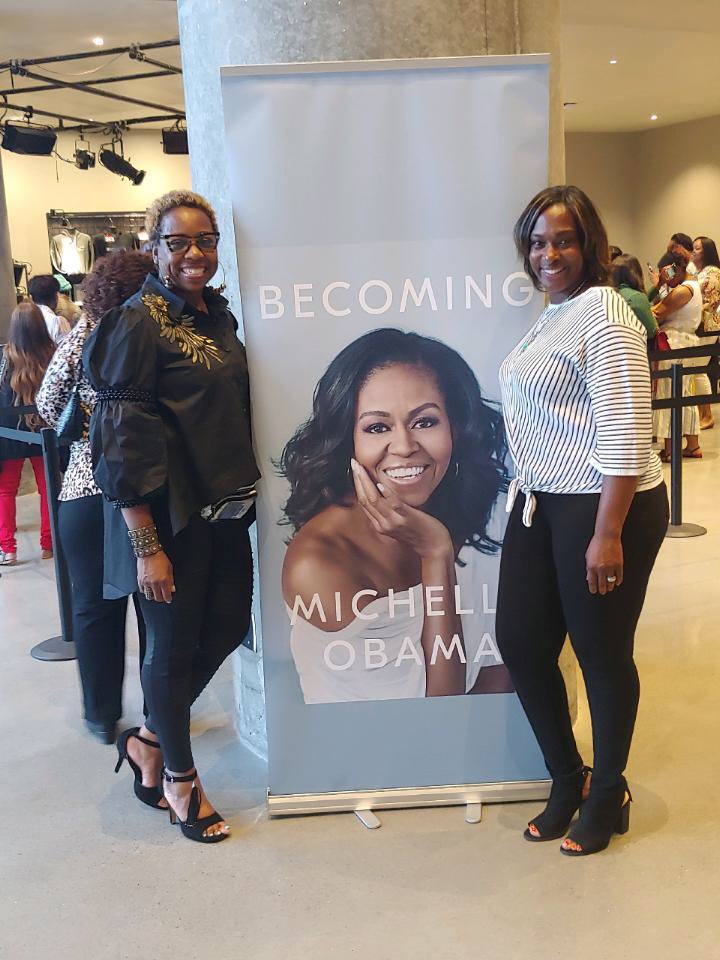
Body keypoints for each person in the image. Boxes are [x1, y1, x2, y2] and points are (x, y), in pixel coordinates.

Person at [497, 185, 668, 857]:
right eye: (538, 241)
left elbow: (628, 428)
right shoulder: (555, 313)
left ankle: (607, 793)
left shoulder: (605, 313)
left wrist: (607, 533)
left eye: (562, 240)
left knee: (599, 652)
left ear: (589, 244)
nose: (549, 253)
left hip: (602, 502)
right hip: (540, 501)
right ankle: (569, 779)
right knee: (520, 642)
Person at [85, 189, 259, 844]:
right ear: (154, 251)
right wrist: (146, 545)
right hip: (168, 517)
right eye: (178, 242)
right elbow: (119, 441)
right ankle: (180, 781)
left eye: (204, 241)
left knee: (230, 625)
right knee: (173, 646)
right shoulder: (135, 323)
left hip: (224, 511)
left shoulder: (216, 316)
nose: (193, 253)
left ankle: (150, 740)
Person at [280, 329, 513, 703]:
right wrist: (435, 555)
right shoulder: (319, 564)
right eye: (377, 427)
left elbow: (503, 665)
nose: (404, 447)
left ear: (455, 425)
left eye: (425, 422)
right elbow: (437, 714)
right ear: (348, 440)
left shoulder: (474, 505)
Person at [36, 252, 153, 745]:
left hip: (86, 483)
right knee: (157, 604)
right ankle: (161, 710)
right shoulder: (154, 334)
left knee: (92, 605)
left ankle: (100, 713)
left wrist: (88, 429)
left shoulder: (83, 332)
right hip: (150, 484)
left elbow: (47, 403)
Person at [0, 303, 55, 565]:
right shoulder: (51, 353)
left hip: (10, 431)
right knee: (48, 489)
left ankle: (8, 549)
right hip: (43, 430)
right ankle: (48, 545)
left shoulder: (5, 357)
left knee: (5, 491)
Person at [652, 251, 708, 460]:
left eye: (664, 271)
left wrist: (656, 288)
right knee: (685, 395)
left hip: (674, 346)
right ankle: (692, 446)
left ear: (674, 267)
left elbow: (656, 311)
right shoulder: (690, 286)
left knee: (670, 395)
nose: (664, 276)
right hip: (684, 345)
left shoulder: (683, 290)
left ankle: (669, 449)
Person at [691, 235, 720, 430]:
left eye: (697, 248)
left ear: (707, 251)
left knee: (698, 369)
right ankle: (703, 413)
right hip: (700, 325)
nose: (693, 252)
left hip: (707, 325)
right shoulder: (698, 271)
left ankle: (707, 415)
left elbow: (709, 301)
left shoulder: (713, 272)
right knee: (696, 369)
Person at [610, 254, 657, 338]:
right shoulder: (636, 297)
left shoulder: (611, 295)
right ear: (636, 273)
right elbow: (651, 332)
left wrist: (657, 286)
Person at [28, 275, 71, 344]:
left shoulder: (23, 319)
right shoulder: (57, 322)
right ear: (56, 297)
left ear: (32, 299)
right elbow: (67, 351)